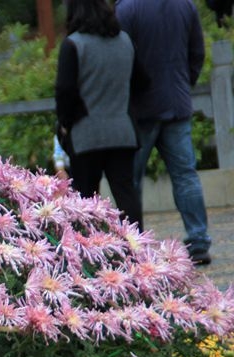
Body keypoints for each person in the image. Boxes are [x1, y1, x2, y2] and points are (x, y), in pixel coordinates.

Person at [116, 0, 212, 265]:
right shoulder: (185, 6)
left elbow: (121, 56)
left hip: (140, 108)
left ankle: (133, 243)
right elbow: (197, 52)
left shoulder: (127, 9)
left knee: (130, 180)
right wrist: (185, 82)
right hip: (177, 103)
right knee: (185, 176)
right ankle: (198, 240)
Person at [55, 0, 143, 230]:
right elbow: (142, 82)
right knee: (126, 193)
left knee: (86, 199)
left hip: (86, 134)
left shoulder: (73, 45)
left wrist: (65, 123)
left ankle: (90, 251)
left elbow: (65, 90)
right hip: (122, 131)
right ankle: (138, 249)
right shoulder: (125, 41)